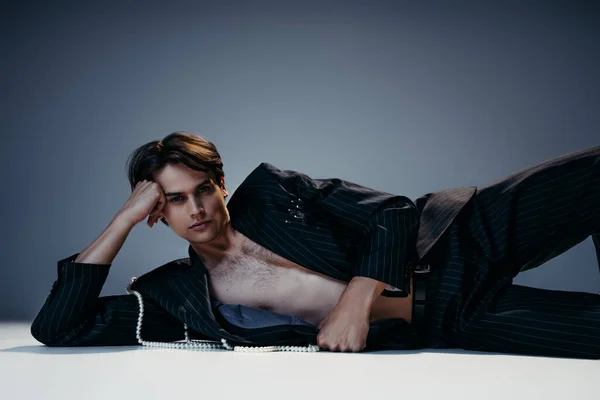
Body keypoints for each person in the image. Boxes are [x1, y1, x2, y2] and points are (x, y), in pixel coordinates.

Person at [31, 132, 600, 359]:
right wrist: (122, 221)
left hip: (457, 237)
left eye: (203, 189)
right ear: (157, 213)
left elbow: (394, 212)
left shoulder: (275, 193)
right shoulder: (179, 296)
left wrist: (353, 302)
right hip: (455, 317)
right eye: (175, 200)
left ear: (221, 185)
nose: (197, 208)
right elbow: (58, 328)